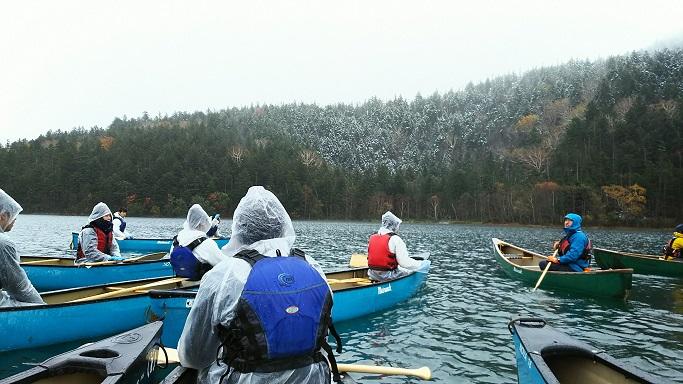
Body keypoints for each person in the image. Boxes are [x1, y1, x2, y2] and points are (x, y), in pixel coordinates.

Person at [178, 186, 340, 384]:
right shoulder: (313, 266)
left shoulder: (223, 274)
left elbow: (193, 356)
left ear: (240, 229)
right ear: (282, 226)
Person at [0, 189, 44, 307]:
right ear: (2, 216)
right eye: (12, 214)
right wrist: (43, 308)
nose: (15, 219)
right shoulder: (3, 243)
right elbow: (19, 286)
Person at [169, 204, 225, 280]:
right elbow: (224, 264)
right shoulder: (207, 243)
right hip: (201, 283)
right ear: (202, 223)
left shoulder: (176, 240)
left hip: (181, 278)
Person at [367, 211, 424, 282]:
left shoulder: (372, 237)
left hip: (372, 275)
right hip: (389, 276)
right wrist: (421, 265)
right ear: (394, 225)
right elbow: (404, 262)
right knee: (409, 271)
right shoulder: (395, 239)